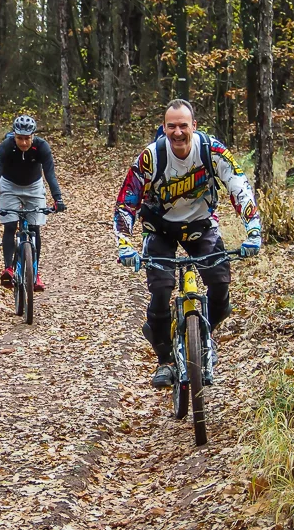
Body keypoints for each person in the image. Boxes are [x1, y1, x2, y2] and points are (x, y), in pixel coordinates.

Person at [114, 99, 261, 388]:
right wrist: (123, 243)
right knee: (160, 290)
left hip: (200, 225)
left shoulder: (212, 151)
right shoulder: (151, 158)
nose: (178, 133)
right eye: (172, 126)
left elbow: (239, 186)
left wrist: (253, 230)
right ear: (163, 128)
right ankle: (165, 360)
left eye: (184, 126)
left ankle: (203, 337)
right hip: (159, 229)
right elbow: (126, 202)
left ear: (194, 125)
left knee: (220, 284)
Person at [0, 115, 66, 292]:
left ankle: (34, 274)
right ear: (14, 135)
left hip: (34, 187)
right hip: (9, 186)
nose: (23, 143)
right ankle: (9, 269)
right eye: (20, 138)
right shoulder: (6, 146)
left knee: (35, 228)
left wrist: (58, 198)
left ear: (33, 136)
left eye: (27, 138)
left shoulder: (42, 147)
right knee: (11, 225)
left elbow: (50, 173)